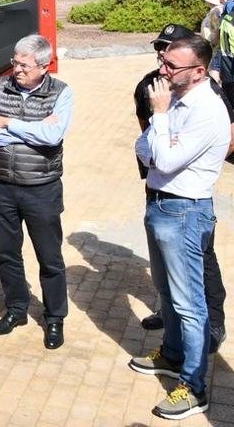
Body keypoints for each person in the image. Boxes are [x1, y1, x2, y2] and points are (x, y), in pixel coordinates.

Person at [130, 36, 231, 420]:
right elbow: (143, 148)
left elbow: (166, 160)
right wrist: (161, 134)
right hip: (158, 203)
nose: (163, 70)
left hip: (185, 213)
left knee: (190, 304)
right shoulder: (175, 98)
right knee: (165, 289)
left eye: (172, 66)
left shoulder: (206, 109)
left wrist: (159, 120)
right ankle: (171, 355)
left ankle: (194, 386)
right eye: (164, 61)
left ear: (199, 71)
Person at [0, 34, 73, 350]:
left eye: (23, 64)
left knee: (50, 257)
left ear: (43, 67)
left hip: (41, 190)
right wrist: (31, 130)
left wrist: (8, 124)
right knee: (6, 254)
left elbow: (53, 136)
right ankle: (16, 310)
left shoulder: (61, 93)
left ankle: (55, 317)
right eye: (15, 61)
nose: (15, 68)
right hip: (1, 186)